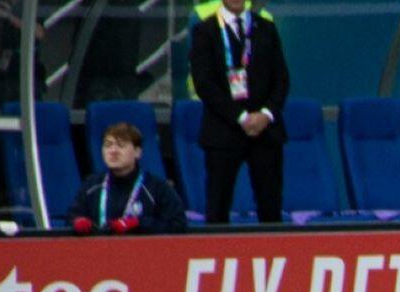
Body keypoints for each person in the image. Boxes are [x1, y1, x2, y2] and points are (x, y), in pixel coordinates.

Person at [189, 0, 288, 224]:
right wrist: (240, 117)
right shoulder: (205, 31)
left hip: (266, 132)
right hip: (223, 131)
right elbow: (204, 84)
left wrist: (266, 114)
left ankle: (271, 255)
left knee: (271, 206)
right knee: (218, 206)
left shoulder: (265, 28)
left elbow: (281, 79)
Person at [67, 122, 187, 234]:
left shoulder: (157, 188)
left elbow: (178, 225)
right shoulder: (91, 186)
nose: (113, 151)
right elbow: (72, 216)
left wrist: (139, 224)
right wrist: (77, 222)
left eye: (121, 145)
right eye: (108, 145)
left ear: (137, 152)